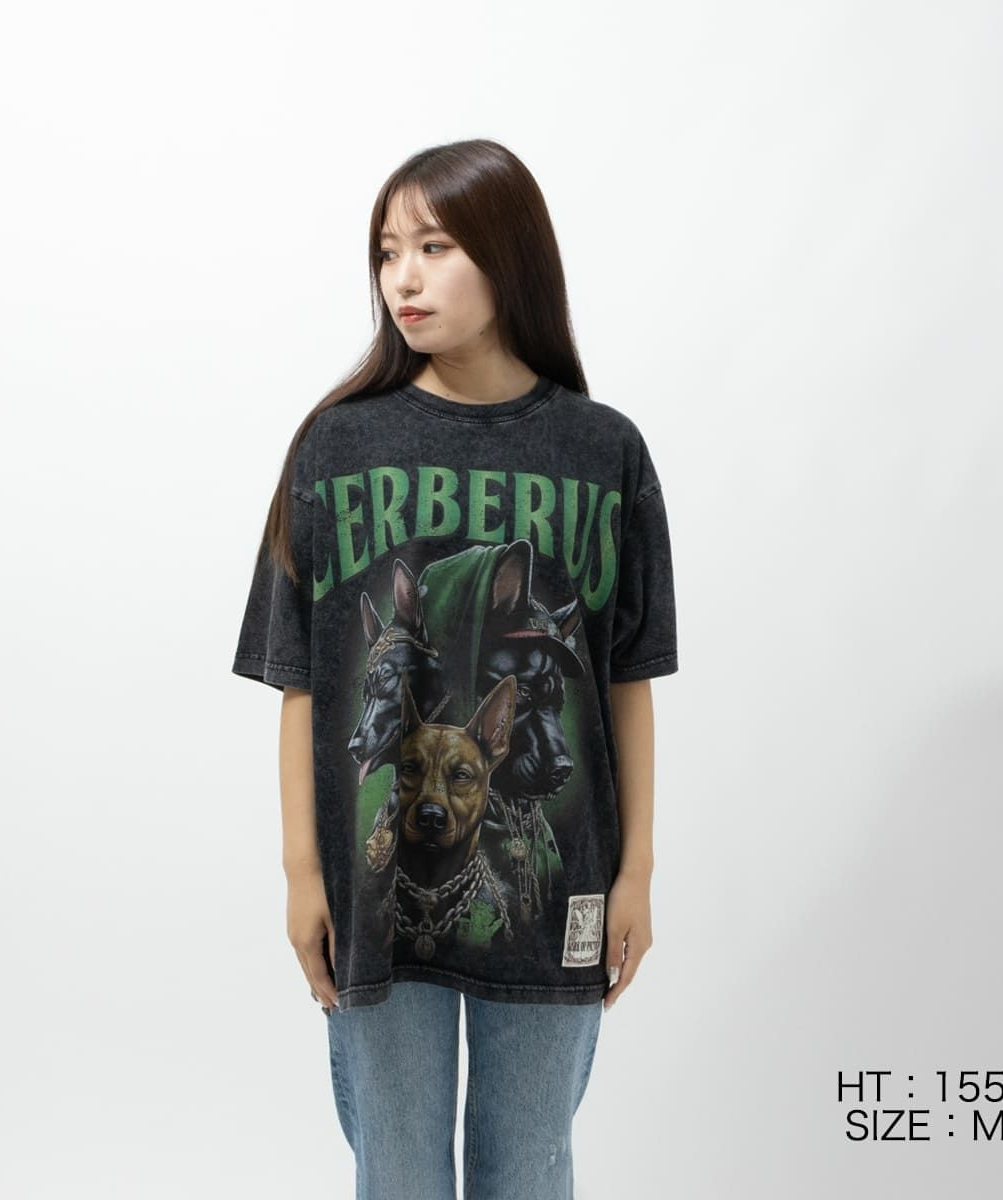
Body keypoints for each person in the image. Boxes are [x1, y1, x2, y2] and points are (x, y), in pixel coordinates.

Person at [230, 138, 679, 1200]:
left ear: (509, 255)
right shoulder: (337, 446)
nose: (405, 278)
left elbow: (626, 679)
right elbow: (301, 681)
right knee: (397, 1174)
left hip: (557, 887)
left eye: (434, 247)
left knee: (529, 1172)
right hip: (374, 891)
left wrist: (637, 874)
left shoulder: (604, 451)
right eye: (389, 251)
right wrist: (303, 876)